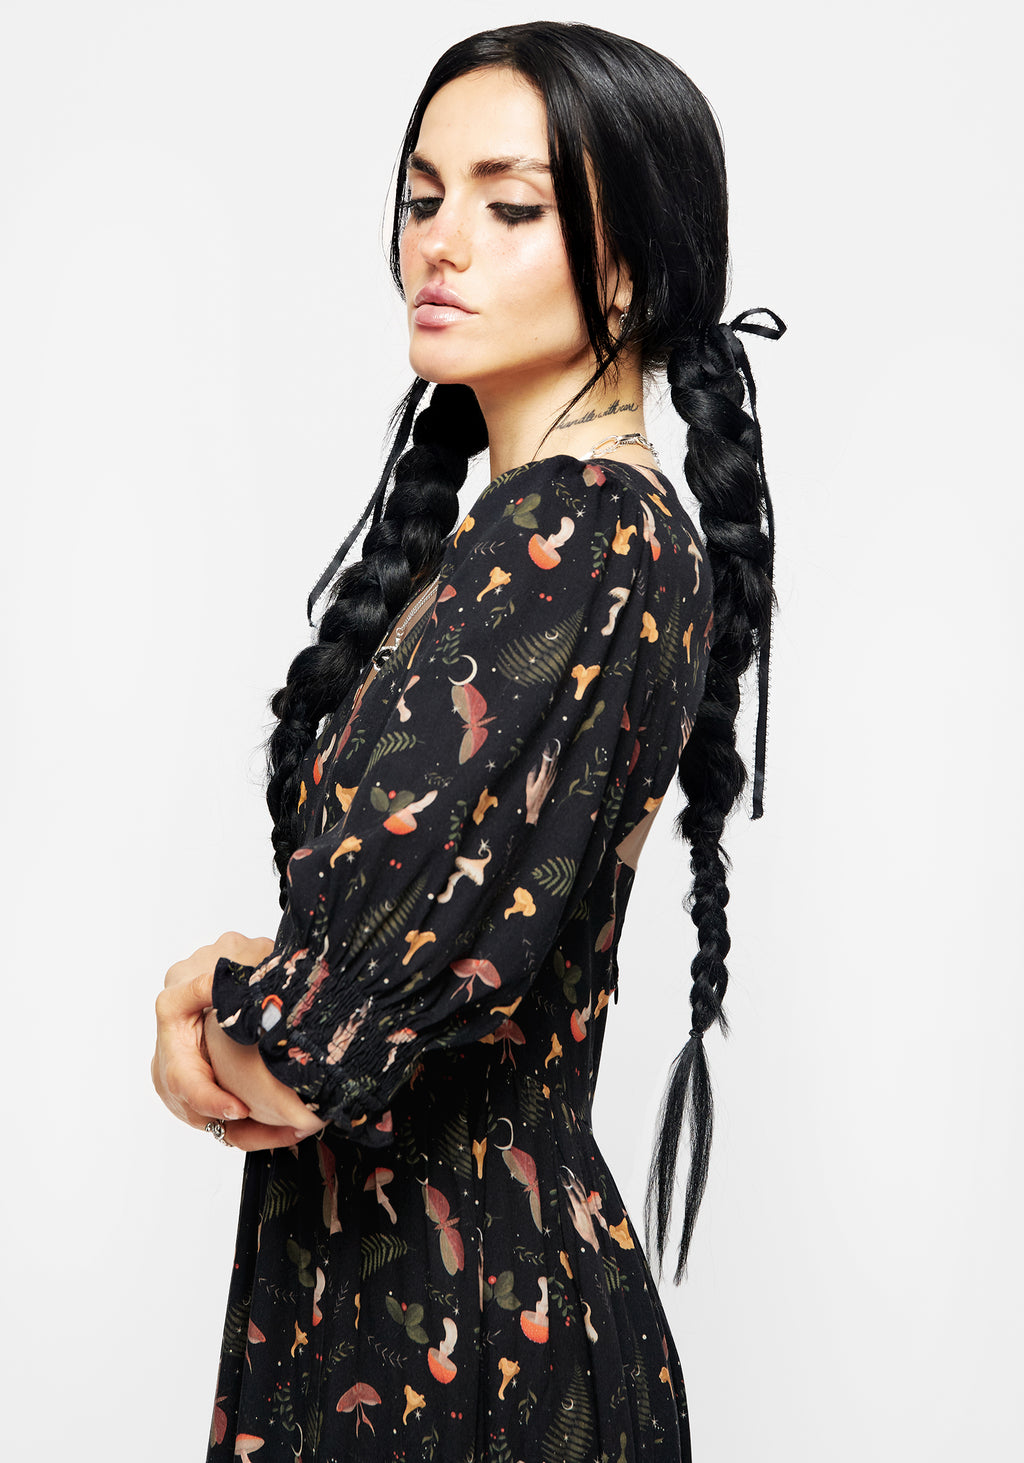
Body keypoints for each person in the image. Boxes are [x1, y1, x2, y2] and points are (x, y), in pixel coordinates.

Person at [151, 20, 784, 1461]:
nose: (442, 242)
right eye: (425, 197)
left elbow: (306, 1057)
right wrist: (263, 1007)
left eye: (511, 207)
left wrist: (205, 997)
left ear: (629, 264)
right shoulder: (557, 532)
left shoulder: (574, 536)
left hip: (464, 1341)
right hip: (425, 1301)